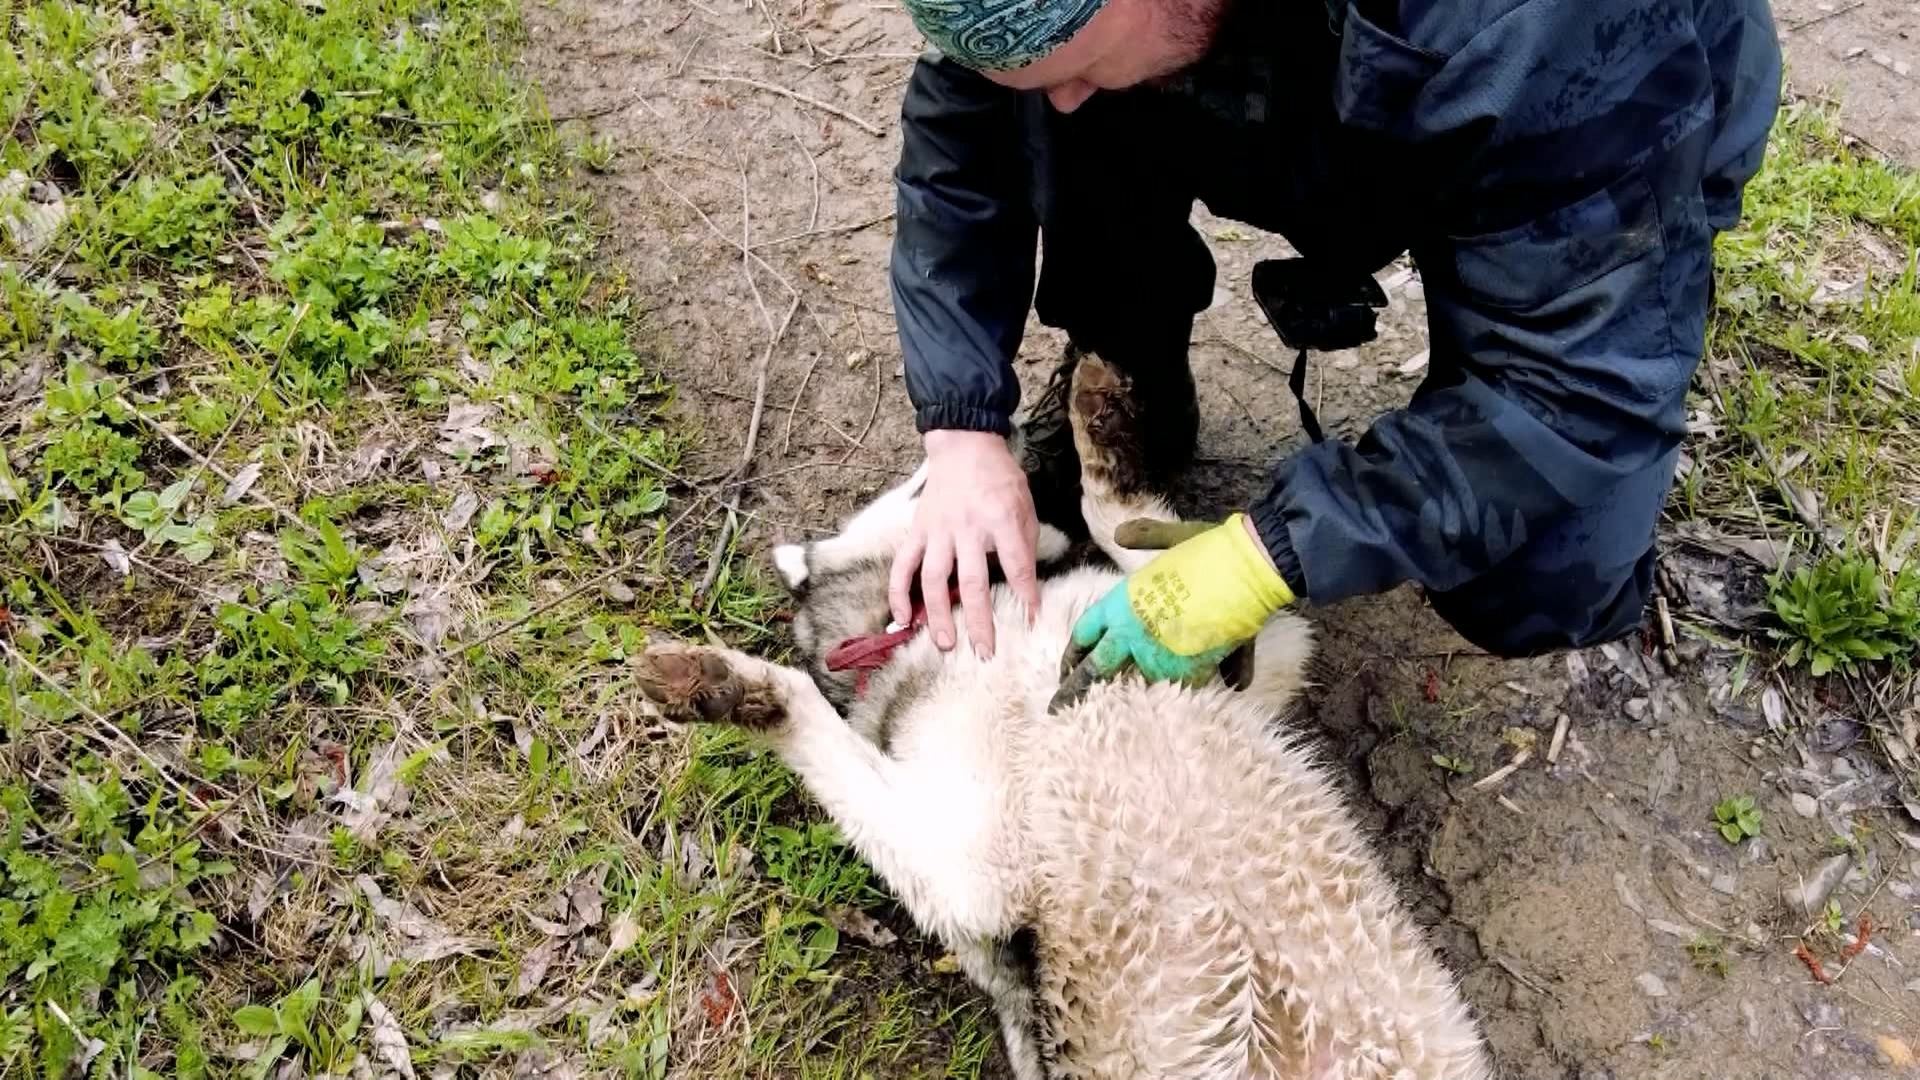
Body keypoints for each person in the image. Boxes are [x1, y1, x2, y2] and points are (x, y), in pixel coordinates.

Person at [882, 0, 1783, 688]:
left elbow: (1574, 391)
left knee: (1535, 581)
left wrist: (1271, 554)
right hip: (1298, 51)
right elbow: (967, 127)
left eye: (1078, 62)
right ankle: (1129, 377)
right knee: (1050, 104)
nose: (1066, 94)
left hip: (1593, 133)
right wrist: (962, 428)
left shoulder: (1539, 29)